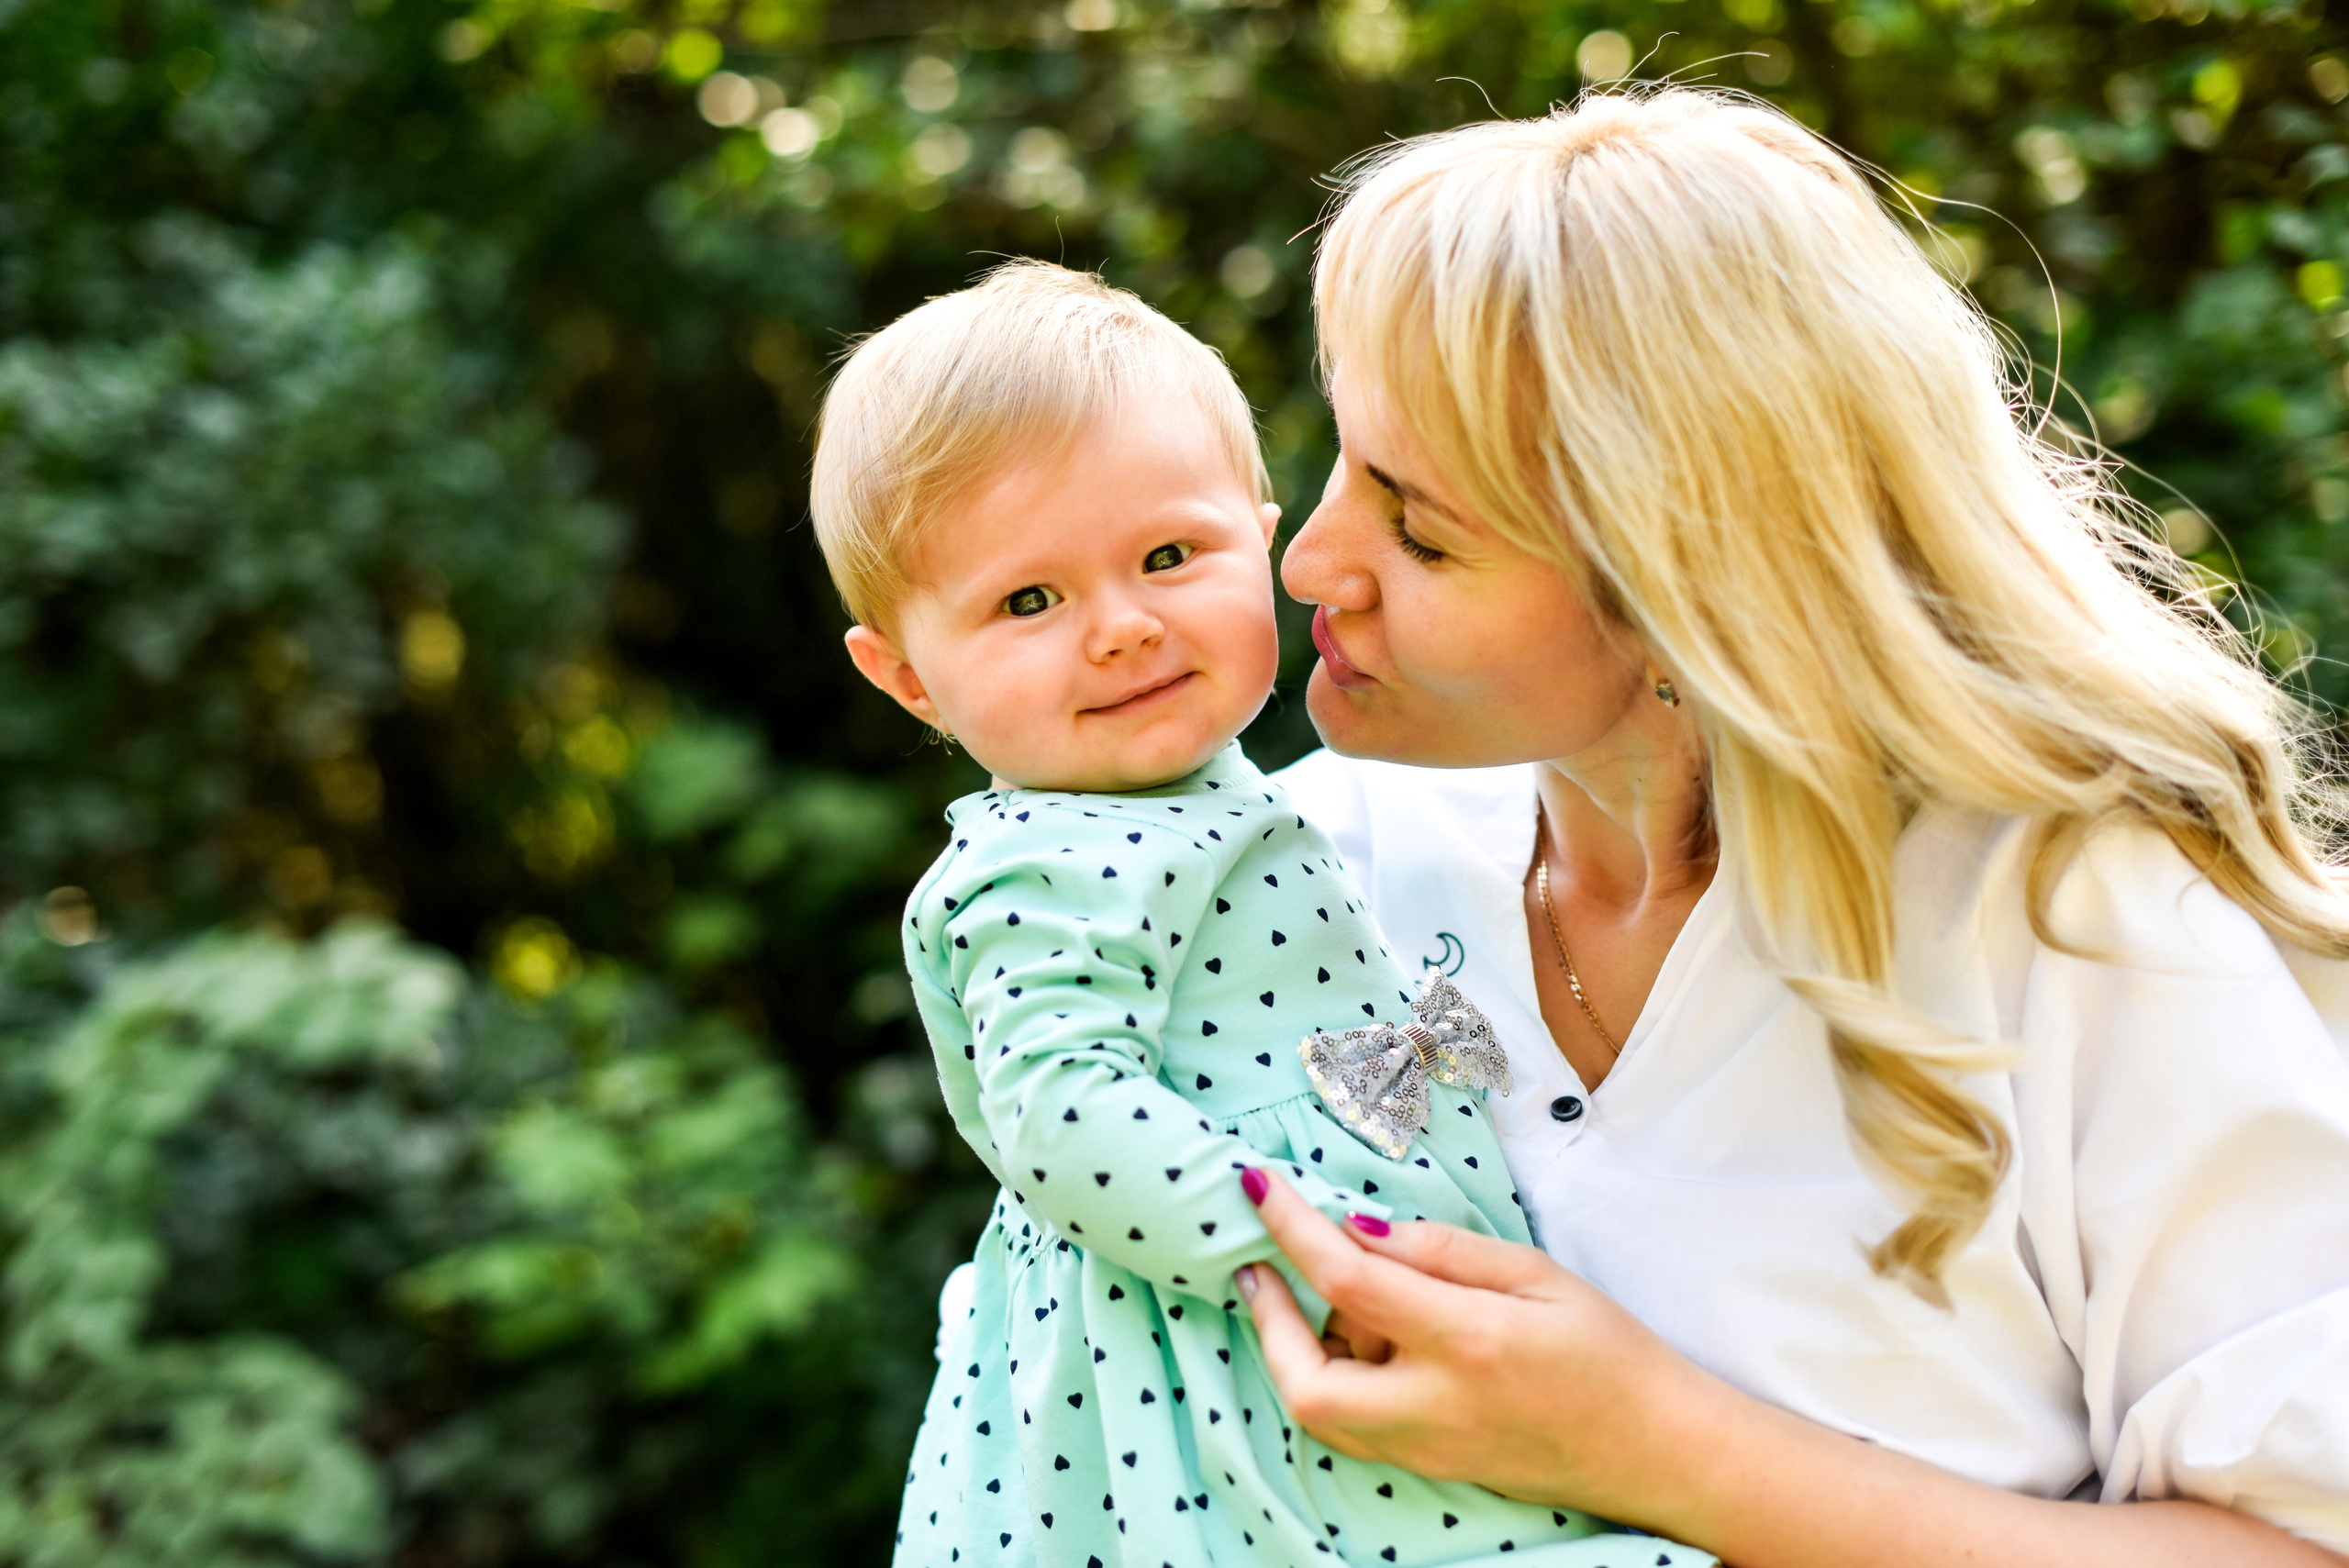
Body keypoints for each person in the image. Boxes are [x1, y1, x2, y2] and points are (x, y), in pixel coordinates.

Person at [1216, 85, 2349, 1568]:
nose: (1312, 562)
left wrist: (1662, 1447)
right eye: (1343, 465)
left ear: (1696, 587)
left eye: (1421, 529)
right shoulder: (1297, 858)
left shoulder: (2083, 919)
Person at [814, 261, 1712, 1568]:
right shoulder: (1038, 863)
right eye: (1029, 600)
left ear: (1263, 529)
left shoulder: (1254, 800)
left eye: (1169, 556)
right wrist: (1301, 1251)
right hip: (1219, 1350)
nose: (1121, 627)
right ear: (906, 678)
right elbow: (1062, 1107)